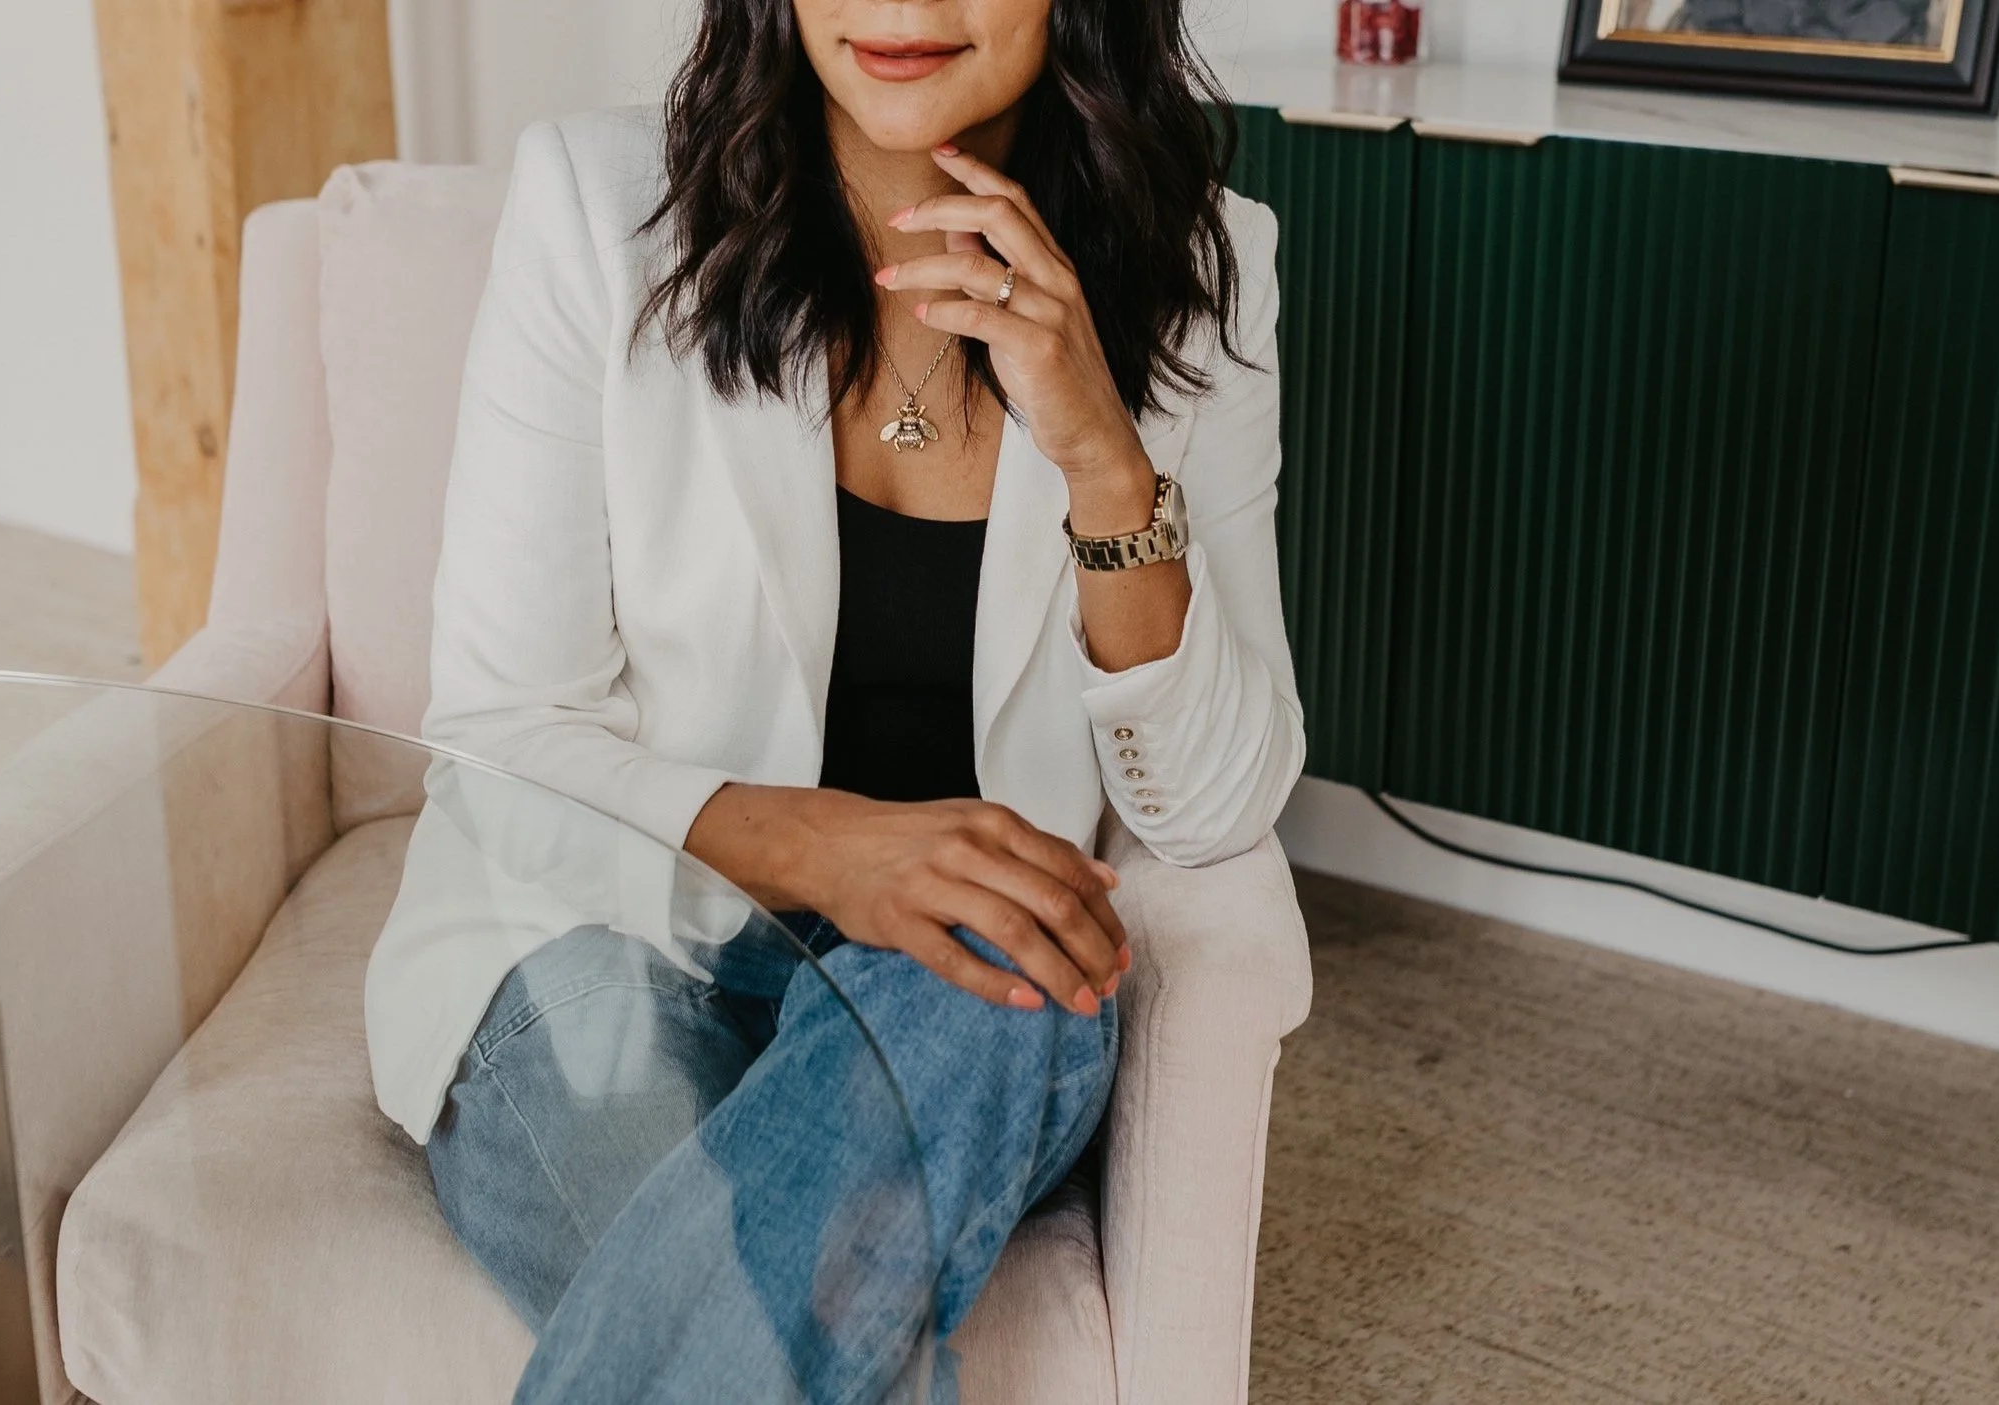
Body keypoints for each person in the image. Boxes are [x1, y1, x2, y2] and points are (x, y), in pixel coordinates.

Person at [363, 0, 1303, 1399]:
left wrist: (1106, 459)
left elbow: (1216, 804)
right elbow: (503, 734)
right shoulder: (600, 209)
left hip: (961, 997)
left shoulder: (1205, 264)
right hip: (600, 935)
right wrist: (833, 851)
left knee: (1016, 963)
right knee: (769, 1315)